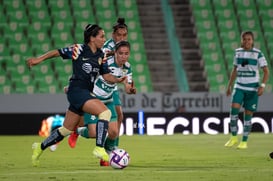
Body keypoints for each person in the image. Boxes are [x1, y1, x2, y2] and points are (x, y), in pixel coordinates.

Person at [26, 24, 125, 167]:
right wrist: (38, 60)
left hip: (84, 93)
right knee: (105, 112)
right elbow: (57, 52)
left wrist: (118, 80)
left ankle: (39, 147)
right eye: (101, 36)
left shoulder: (101, 55)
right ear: (92, 38)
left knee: (66, 129)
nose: (104, 39)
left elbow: (106, 75)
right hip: (77, 91)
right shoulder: (78, 49)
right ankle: (99, 148)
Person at [68, 41, 136, 166]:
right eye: (121, 53)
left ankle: (109, 153)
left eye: (126, 54)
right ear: (115, 53)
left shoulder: (127, 67)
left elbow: (127, 86)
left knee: (114, 132)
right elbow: (87, 73)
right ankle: (77, 131)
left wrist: (130, 89)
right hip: (94, 99)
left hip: (108, 100)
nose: (123, 56)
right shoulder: (104, 62)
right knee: (93, 133)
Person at [224, 31, 269, 149]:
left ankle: (244, 141)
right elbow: (235, 70)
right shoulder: (238, 52)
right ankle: (233, 138)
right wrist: (229, 86)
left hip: (252, 89)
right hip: (239, 86)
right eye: (244, 39)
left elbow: (266, 71)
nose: (247, 41)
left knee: (247, 116)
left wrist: (262, 86)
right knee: (233, 112)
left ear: (252, 41)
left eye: (249, 39)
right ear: (241, 40)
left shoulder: (258, 54)